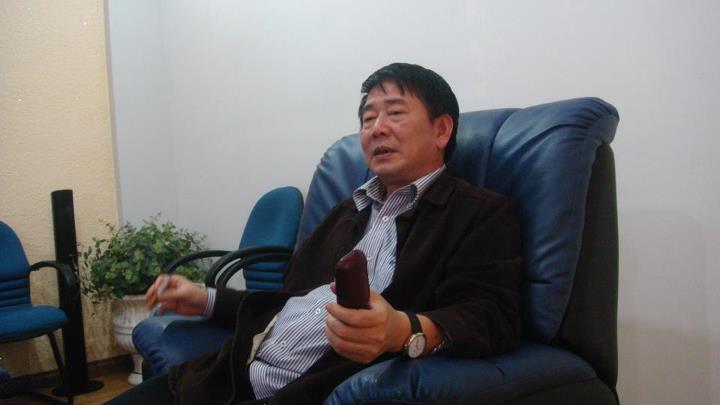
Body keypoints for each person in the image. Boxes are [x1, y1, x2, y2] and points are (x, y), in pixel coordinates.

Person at [108, 63, 523, 404]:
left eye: (395, 113)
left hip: (295, 391)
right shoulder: (346, 211)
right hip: (225, 377)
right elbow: (290, 302)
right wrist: (204, 298)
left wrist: (404, 330)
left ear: (441, 130)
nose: (376, 128)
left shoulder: (477, 213)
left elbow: (493, 316)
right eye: (367, 118)